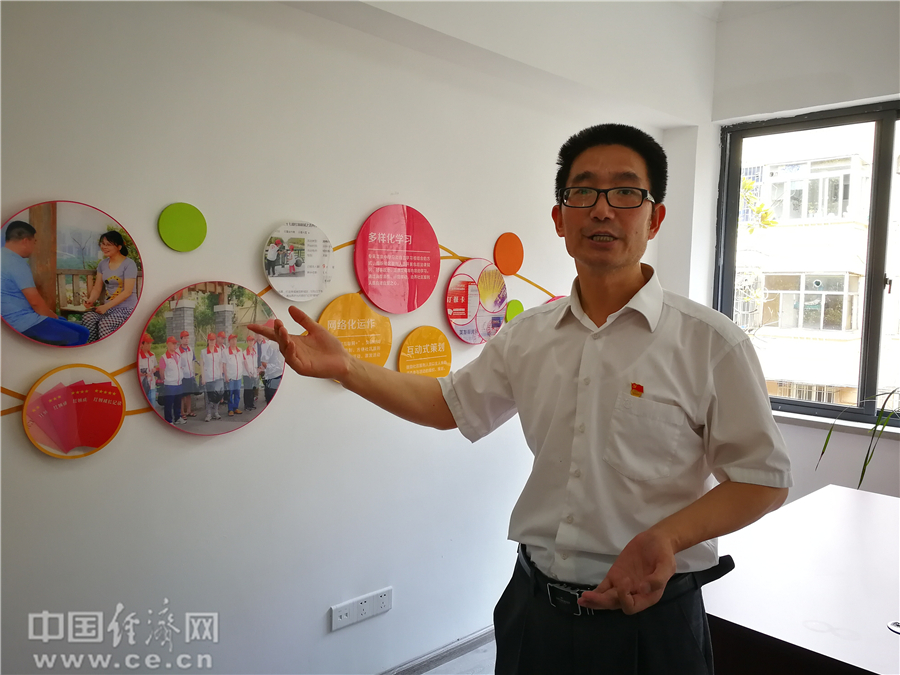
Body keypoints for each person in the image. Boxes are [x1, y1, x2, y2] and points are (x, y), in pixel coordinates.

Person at [251, 123, 792, 675]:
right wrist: (346, 368)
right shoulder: (528, 336)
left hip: (651, 623)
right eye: (583, 192)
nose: (602, 209)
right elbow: (447, 404)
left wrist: (667, 537)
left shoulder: (710, 343)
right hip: (535, 613)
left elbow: (763, 479)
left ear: (655, 218)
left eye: (627, 192)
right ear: (560, 219)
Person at [1, 221, 89, 345]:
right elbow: (35, 302)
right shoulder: (16, 263)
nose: (34, 246)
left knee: (63, 320)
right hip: (23, 323)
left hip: (9, 320)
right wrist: (54, 317)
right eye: (34, 242)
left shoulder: (3, 256)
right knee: (81, 333)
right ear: (25, 241)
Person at [82, 231, 138, 343]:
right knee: (88, 318)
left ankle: (106, 351)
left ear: (119, 247)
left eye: (108, 244)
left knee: (105, 324)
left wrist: (105, 307)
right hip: (109, 308)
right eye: (103, 244)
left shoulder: (129, 264)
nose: (104, 247)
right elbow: (97, 288)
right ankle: (93, 348)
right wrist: (91, 300)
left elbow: (127, 292)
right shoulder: (102, 264)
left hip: (126, 309)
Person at [158, 336, 185, 426]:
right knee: (169, 403)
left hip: (179, 383)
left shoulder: (178, 356)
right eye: (173, 343)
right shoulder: (164, 357)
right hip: (170, 384)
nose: (175, 345)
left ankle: (177, 417)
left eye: (175, 343)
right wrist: (166, 379)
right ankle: (168, 420)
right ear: (167, 344)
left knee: (178, 402)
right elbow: (161, 372)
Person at [257, 319, 285, 404]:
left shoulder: (269, 344)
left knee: (271, 401)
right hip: (280, 377)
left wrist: (267, 368)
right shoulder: (281, 342)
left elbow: (264, 362)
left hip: (273, 377)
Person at [200, 332, 224, 422]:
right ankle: (208, 414)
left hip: (217, 377)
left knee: (217, 396)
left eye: (213, 340)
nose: (212, 342)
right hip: (208, 377)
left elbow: (220, 363)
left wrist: (220, 375)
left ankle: (216, 412)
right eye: (210, 340)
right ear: (208, 341)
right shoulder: (203, 352)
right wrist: (203, 377)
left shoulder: (219, 351)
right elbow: (202, 365)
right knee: (208, 397)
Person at [178, 330, 199, 419]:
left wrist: (193, 372)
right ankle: (182, 412)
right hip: (182, 376)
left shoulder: (190, 349)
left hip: (190, 375)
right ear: (181, 340)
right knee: (182, 395)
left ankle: (189, 411)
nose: (186, 340)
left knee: (189, 394)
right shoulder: (178, 351)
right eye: (184, 338)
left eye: (187, 338)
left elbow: (193, 361)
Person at [223, 333, 243, 417]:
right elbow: (224, 364)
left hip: (238, 376)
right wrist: (226, 376)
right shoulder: (225, 352)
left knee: (237, 393)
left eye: (235, 340)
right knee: (230, 393)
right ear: (229, 341)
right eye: (232, 340)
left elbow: (242, 362)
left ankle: (236, 408)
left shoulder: (240, 350)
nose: (234, 342)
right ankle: (230, 409)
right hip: (230, 376)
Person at [138, 333, 160, 407]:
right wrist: (144, 374)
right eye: (147, 343)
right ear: (142, 344)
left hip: (152, 384)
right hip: (142, 385)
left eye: (150, 343)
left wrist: (155, 369)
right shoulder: (138, 356)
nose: (149, 345)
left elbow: (155, 367)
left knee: (153, 405)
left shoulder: (152, 355)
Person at [242, 331, 260, 411]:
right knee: (247, 390)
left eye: (252, 341)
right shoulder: (244, 353)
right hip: (247, 374)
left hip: (254, 373)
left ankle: (251, 404)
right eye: (249, 341)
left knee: (252, 389)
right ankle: (247, 405)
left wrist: (256, 371)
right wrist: (249, 372)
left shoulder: (255, 352)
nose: (251, 342)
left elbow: (255, 362)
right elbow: (245, 363)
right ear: (247, 342)